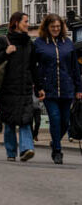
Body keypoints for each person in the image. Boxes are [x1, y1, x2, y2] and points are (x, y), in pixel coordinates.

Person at [0, 11, 40, 162]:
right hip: (7, 90)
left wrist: (39, 87)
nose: (28, 24)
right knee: (10, 121)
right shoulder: (4, 41)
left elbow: (34, 68)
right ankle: (11, 152)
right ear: (16, 23)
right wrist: (5, 52)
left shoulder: (29, 44)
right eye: (26, 21)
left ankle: (26, 149)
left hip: (24, 89)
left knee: (25, 120)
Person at [34, 13, 82, 165]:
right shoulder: (39, 43)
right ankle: (57, 151)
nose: (55, 29)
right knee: (55, 118)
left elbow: (75, 67)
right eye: (52, 26)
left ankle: (55, 141)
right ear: (47, 27)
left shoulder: (67, 43)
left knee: (66, 122)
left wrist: (79, 88)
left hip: (67, 88)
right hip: (49, 89)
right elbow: (35, 68)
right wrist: (39, 86)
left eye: (58, 26)